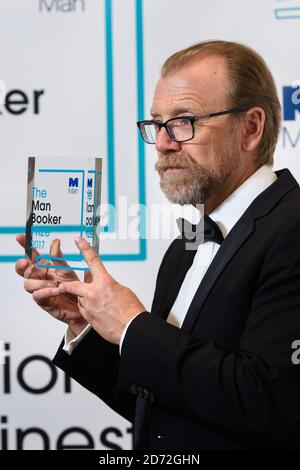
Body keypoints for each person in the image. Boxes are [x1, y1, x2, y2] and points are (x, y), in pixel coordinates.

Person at [15, 40, 300, 450]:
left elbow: (267, 402)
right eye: (156, 124)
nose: (164, 143)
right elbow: (165, 402)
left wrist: (132, 325)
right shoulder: (185, 247)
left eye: (184, 121)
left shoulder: (293, 228)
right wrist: (86, 323)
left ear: (251, 128)